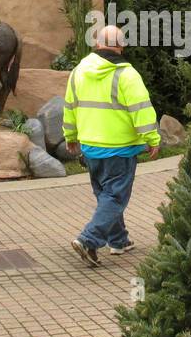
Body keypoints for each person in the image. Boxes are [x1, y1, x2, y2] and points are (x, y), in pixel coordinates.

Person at [64, 24, 161, 267]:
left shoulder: (78, 72)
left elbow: (70, 107)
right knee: (115, 197)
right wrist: (153, 139)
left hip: (90, 148)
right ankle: (89, 239)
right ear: (122, 46)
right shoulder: (127, 75)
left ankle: (119, 241)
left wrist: (70, 136)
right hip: (120, 149)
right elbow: (142, 110)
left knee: (106, 196)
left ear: (97, 44)